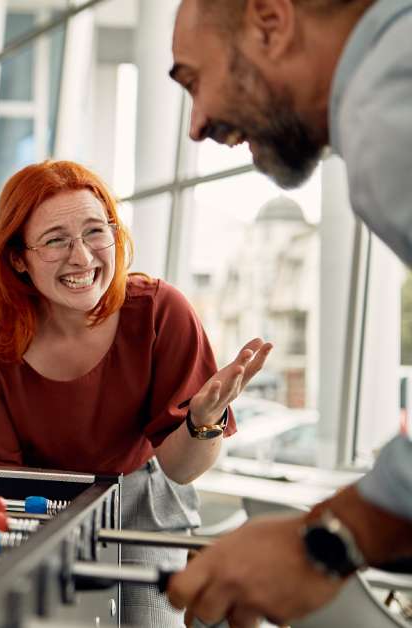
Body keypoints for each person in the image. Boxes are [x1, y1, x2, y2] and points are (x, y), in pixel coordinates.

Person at [0, 160, 271, 626]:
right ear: (18, 258)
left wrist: (202, 420)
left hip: (143, 503)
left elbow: (180, 469)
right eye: (55, 240)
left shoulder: (159, 310)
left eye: (93, 232)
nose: (83, 257)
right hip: (36, 514)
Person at [166, 0, 412, 625]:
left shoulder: (386, 117)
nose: (196, 124)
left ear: (271, 24)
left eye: (194, 81)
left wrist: (328, 542)